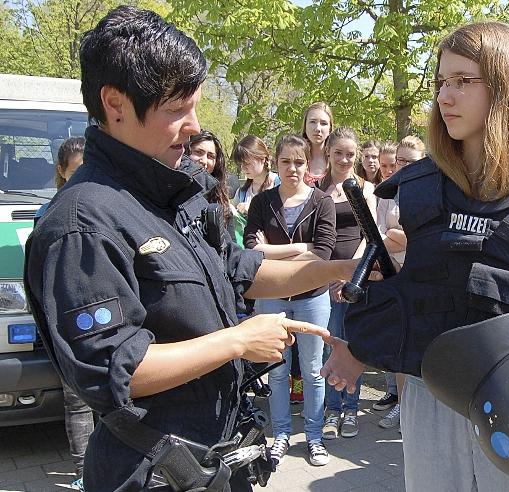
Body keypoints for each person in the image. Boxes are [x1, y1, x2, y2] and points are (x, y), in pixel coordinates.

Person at [23, 7, 354, 491]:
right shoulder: (81, 224)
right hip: (153, 470)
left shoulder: (170, 195)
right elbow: (115, 369)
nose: (194, 127)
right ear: (115, 104)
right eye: (175, 110)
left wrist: (341, 267)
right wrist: (238, 341)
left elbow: (238, 270)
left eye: (194, 107)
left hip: (214, 461)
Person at [320, 21, 509, 492]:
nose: (445, 96)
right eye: (441, 82)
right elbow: (420, 295)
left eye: (463, 81)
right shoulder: (420, 187)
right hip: (431, 392)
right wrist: (360, 349)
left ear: (507, 87)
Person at [243, 133, 336, 467]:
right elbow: (251, 251)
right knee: (278, 371)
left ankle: (314, 438)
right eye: (286, 161)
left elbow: (323, 253)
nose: (293, 168)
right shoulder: (262, 202)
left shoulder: (322, 201)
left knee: (312, 371)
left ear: (307, 164)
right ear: (276, 163)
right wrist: (300, 248)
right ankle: (280, 435)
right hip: (272, 298)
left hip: (312, 298)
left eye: (299, 162)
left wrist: (274, 252)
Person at [35, 137, 91, 492]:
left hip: (100, 318)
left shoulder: (100, 206)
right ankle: (86, 472)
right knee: (77, 400)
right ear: (61, 171)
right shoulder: (49, 214)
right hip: (68, 322)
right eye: (75, 172)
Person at [320, 126, 377, 440]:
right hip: (323, 281)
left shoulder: (365, 190)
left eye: (350, 154)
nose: (344, 159)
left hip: (354, 281)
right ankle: (331, 409)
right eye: (338, 152)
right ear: (328, 152)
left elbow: (369, 236)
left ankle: (351, 409)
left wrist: (347, 275)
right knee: (329, 344)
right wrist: (324, 274)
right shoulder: (320, 190)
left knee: (352, 344)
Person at [373, 134, 426, 430]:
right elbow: (380, 236)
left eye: (410, 161)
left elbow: (420, 239)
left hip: (421, 277)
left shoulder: (430, 191)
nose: (403, 166)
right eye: (399, 161)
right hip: (394, 276)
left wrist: (397, 237)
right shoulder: (386, 194)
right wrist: (398, 237)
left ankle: (421, 413)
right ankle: (403, 407)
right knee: (400, 349)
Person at [187, 130, 237, 240]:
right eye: (198, 152)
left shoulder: (221, 202)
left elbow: (231, 246)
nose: (204, 161)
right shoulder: (172, 194)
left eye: (210, 156)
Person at [232, 135, 278, 216]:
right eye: (240, 164)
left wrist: (253, 209)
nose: (243, 168)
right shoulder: (241, 193)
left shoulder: (280, 185)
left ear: (262, 159)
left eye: (247, 163)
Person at [302, 102, 333, 185]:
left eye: (323, 123)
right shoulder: (294, 157)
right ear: (305, 126)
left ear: (330, 128)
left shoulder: (337, 158)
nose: (318, 128)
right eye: (312, 122)